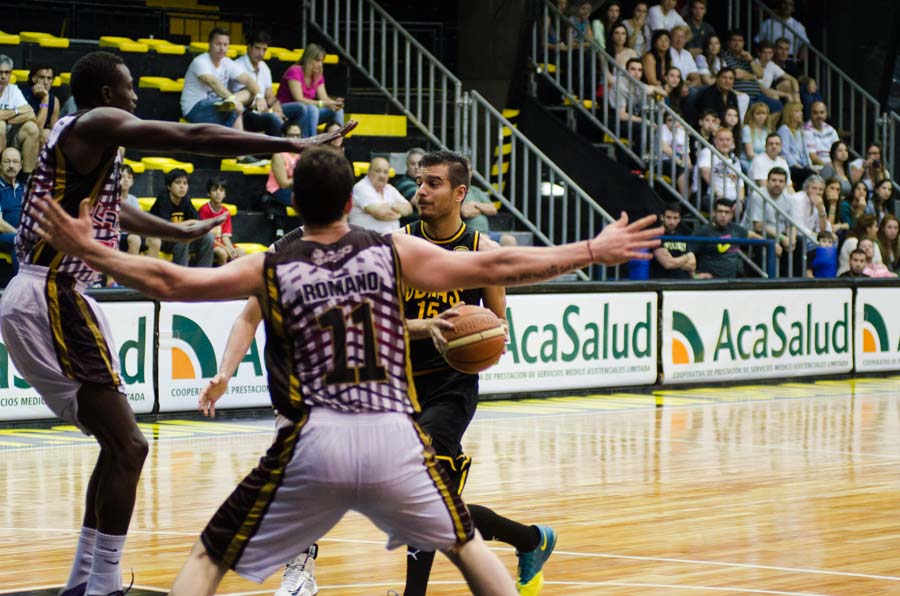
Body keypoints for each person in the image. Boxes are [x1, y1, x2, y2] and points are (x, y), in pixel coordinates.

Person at [31, 145, 663, 596]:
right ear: (351, 201)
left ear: (296, 200)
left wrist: (88, 249)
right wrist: (592, 249)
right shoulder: (391, 250)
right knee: (467, 547)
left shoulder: (274, 262)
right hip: (392, 435)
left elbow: (171, 280)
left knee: (208, 557)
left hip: (314, 439)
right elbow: (499, 267)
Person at [0, 50, 353, 596]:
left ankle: (85, 580)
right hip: (51, 290)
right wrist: (289, 144)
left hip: (51, 292)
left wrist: (176, 231)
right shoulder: (94, 122)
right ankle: (102, 585)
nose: (136, 96)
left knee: (116, 446)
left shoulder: (90, 146)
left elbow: (113, 210)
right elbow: (193, 136)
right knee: (130, 447)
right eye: (128, 87)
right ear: (105, 96)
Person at [181, 28, 264, 130]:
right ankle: (236, 137)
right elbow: (213, 82)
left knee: (250, 92)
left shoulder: (227, 62)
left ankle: (233, 130)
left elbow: (248, 79)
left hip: (218, 104)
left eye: (225, 45)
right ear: (210, 44)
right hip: (195, 108)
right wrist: (233, 100)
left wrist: (259, 96)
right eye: (218, 44)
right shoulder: (200, 61)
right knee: (233, 111)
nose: (222, 48)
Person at [149, 168, 215, 267]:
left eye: (185, 183)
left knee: (208, 236)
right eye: (178, 183)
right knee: (183, 238)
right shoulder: (163, 199)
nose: (182, 186)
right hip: (162, 239)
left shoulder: (185, 200)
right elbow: (167, 226)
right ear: (169, 186)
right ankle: (181, 273)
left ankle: (204, 272)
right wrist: (190, 222)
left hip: (178, 239)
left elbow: (198, 221)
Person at [277, 43, 345, 138]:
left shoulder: (318, 75)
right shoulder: (295, 71)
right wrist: (323, 104)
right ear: (308, 59)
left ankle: (337, 141)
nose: (320, 64)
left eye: (321, 61)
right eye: (317, 60)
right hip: (289, 110)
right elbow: (299, 99)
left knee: (337, 111)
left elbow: (324, 98)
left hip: (309, 112)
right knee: (312, 109)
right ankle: (312, 142)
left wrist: (334, 103)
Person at [231, 30, 285, 137]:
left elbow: (269, 95)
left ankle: (302, 145)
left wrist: (276, 106)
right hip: (243, 112)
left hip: (263, 109)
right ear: (248, 47)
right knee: (273, 118)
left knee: (300, 109)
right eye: (257, 48)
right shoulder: (237, 66)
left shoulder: (264, 67)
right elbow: (245, 99)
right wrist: (269, 110)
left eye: (264, 49)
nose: (261, 53)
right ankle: (277, 148)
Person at [692, 197, 763, 278]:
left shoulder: (736, 229)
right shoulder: (703, 231)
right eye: (720, 211)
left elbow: (752, 235)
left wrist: (772, 244)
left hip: (730, 282)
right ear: (714, 213)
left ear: (731, 215)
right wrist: (695, 276)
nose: (723, 215)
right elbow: (687, 253)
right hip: (709, 282)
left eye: (727, 212)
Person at [746, 167, 795, 271]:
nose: (777, 184)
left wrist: (792, 240)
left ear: (785, 184)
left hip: (778, 234)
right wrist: (782, 238)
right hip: (757, 234)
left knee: (799, 242)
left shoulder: (788, 198)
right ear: (767, 182)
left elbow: (791, 224)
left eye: (781, 181)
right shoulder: (758, 196)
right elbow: (758, 226)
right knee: (768, 245)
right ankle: (767, 278)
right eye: (774, 180)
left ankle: (792, 279)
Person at [0, 55, 39, 178]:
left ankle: (25, 179)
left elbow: (31, 114)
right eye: (0, 72)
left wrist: (7, 118)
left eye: (7, 72)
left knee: (32, 128)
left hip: (10, 134)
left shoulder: (13, 89)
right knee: (0, 126)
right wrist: (17, 111)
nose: (3, 77)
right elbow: (24, 111)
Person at [349, 156, 412, 233]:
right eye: (378, 171)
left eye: (385, 172)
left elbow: (409, 209)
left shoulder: (389, 188)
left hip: (391, 236)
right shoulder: (361, 187)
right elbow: (380, 213)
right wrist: (399, 214)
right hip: (366, 237)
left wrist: (391, 205)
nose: (382, 175)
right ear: (369, 172)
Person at [199, 176, 245, 265]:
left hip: (221, 242)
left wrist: (230, 248)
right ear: (208, 193)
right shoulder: (204, 210)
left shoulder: (226, 212)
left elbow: (225, 236)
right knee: (223, 253)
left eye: (221, 190)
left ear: (225, 194)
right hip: (209, 242)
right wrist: (225, 248)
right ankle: (222, 273)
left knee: (241, 252)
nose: (218, 193)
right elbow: (205, 236)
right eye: (214, 190)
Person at [696, 127, 744, 211]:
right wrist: (717, 193)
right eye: (721, 140)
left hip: (733, 200)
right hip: (714, 196)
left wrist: (740, 201)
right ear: (715, 141)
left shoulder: (735, 159)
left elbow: (740, 184)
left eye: (728, 140)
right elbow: (705, 172)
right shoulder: (708, 151)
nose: (725, 143)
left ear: (732, 142)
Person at [117, 163, 156, 257]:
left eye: (129, 177)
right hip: (117, 235)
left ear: (133, 182)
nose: (126, 180)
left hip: (132, 233)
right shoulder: (111, 199)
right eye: (122, 177)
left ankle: (149, 267)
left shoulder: (133, 200)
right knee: (135, 239)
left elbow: (137, 222)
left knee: (155, 240)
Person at [650, 202, 695, 278]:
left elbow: (693, 265)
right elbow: (668, 264)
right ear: (662, 217)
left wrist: (674, 261)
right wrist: (686, 257)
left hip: (685, 282)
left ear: (679, 219)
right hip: (664, 282)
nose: (672, 222)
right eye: (668, 217)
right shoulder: (656, 236)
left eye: (675, 218)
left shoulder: (682, 237)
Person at [21, 64, 60, 148]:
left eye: (49, 78)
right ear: (33, 79)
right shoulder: (22, 96)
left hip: (39, 140)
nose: (46, 82)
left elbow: (54, 132)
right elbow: (37, 128)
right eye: (42, 77)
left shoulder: (54, 101)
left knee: (47, 134)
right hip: (23, 136)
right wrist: (45, 99)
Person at [777, 101, 814, 187]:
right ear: (789, 114)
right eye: (797, 111)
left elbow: (805, 152)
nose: (801, 113)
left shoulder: (800, 130)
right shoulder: (784, 129)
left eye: (801, 111)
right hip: (791, 166)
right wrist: (798, 166)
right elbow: (784, 152)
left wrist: (809, 166)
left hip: (802, 166)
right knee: (810, 176)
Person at [267, 122, 303, 208]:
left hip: (296, 188)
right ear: (283, 136)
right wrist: (302, 178)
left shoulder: (301, 154)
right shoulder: (279, 155)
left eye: (298, 135)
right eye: (291, 135)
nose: (295, 138)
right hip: (279, 190)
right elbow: (283, 184)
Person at [0, 147, 23, 272]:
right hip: (3, 236)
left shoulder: (24, 188)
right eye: (6, 161)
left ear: (20, 166)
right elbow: (0, 224)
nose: (11, 165)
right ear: (0, 165)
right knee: (18, 242)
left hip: (21, 234)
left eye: (15, 162)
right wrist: (20, 235)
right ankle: (20, 282)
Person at [802, 102, 839, 169]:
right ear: (810, 114)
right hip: (817, 166)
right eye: (815, 113)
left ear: (826, 113)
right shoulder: (806, 130)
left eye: (822, 112)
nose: (819, 115)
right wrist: (830, 166)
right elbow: (812, 156)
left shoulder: (831, 130)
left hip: (832, 165)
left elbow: (838, 150)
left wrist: (836, 165)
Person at [741, 102, 771, 172]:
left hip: (764, 162)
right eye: (758, 114)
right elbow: (750, 154)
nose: (761, 116)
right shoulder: (747, 129)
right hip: (748, 162)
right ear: (752, 115)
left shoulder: (767, 131)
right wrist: (768, 159)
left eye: (764, 113)